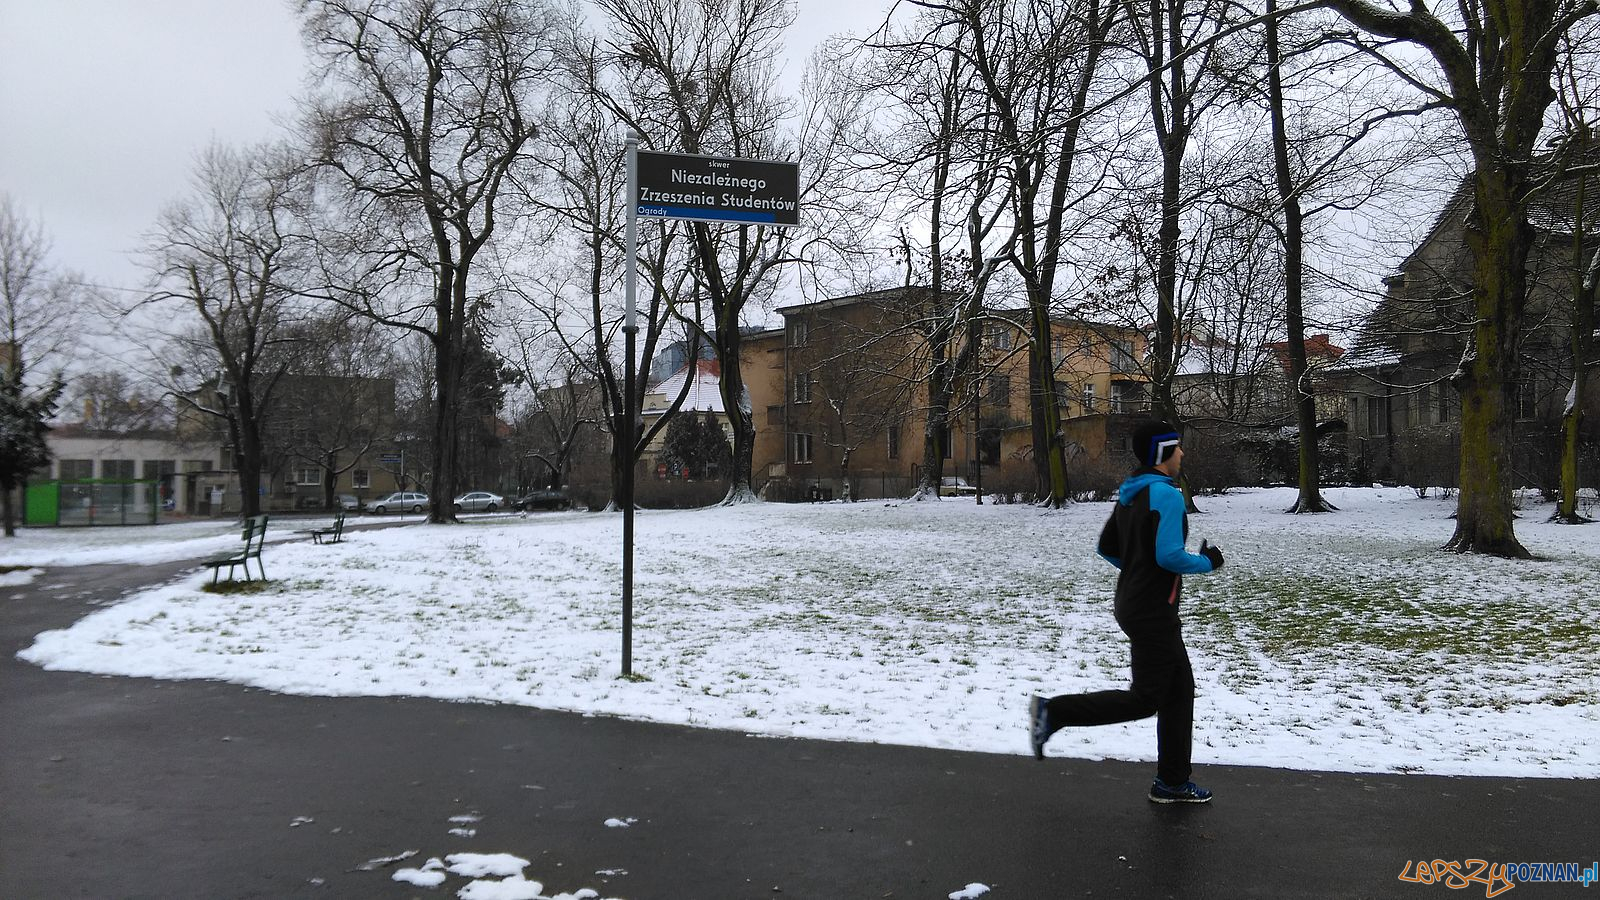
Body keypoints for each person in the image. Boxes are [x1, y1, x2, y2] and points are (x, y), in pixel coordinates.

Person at [1028, 419, 1225, 804]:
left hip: (1134, 602)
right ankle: (1054, 712)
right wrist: (1207, 563)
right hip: (1153, 610)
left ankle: (1171, 781)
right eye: (1178, 447)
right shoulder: (1165, 495)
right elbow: (1168, 555)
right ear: (1163, 452)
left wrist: (1138, 572)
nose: (1182, 453)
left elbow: (1108, 548)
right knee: (1148, 698)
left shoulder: (1131, 493)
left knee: (1179, 691)